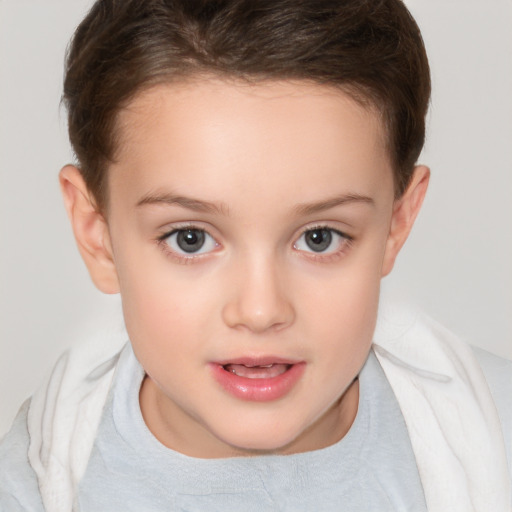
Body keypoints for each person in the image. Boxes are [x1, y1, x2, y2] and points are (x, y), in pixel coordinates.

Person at [0, 1, 510, 511]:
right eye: (190, 239)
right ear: (98, 233)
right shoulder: (25, 490)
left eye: (320, 238)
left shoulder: (496, 432)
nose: (261, 310)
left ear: (397, 223)